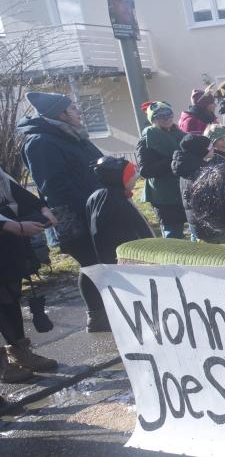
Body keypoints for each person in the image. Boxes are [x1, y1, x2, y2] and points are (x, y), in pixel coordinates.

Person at [17, 92, 105, 331]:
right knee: (90, 264)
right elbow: (54, 188)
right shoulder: (40, 142)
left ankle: (108, 311)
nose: (79, 112)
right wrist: (90, 204)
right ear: (61, 114)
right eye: (73, 108)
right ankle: (97, 316)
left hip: (96, 209)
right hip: (74, 217)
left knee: (101, 263)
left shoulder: (73, 136)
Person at [0, 165, 59, 382]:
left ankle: (19, 352)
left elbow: (16, 193)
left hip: (7, 249)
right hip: (8, 232)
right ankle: (3, 366)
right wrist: (9, 225)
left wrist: (43, 209)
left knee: (10, 298)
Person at [87, 156, 154, 264]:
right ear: (120, 178)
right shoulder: (121, 201)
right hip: (129, 255)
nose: (135, 179)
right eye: (132, 177)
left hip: (105, 256)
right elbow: (142, 229)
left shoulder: (94, 197)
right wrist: (153, 249)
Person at [136, 101, 187, 239]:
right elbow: (145, 171)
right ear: (153, 119)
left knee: (194, 229)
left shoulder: (180, 135)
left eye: (169, 114)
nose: (167, 118)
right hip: (163, 197)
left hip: (182, 190)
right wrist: (172, 161)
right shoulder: (146, 140)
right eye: (161, 115)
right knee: (173, 235)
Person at [171, 134, 221, 242]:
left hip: (195, 221)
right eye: (210, 147)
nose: (213, 148)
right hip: (206, 225)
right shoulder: (199, 173)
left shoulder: (187, 167)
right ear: (201, 151)